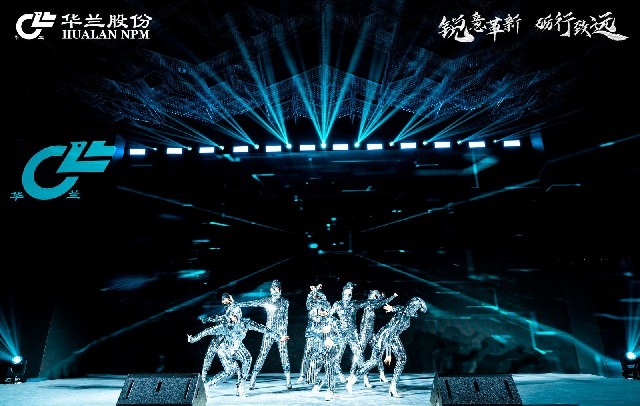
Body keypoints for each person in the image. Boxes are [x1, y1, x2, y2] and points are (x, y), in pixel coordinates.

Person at [187, 305, 289, 397]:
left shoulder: (246, 323)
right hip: (225, 350)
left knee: (247, 358)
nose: (232, 318)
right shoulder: (225, 326)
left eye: (234, 315)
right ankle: (207, 385)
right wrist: (192, 339)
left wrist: (278, 337)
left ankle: (241, 385)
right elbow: (206, 332)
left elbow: (263, 329)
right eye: (230, 316)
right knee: (229, 371)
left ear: (238, 314)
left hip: (237, 347)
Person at [346, 296, 428, 398]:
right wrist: (388, 354)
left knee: (402, 359)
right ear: (411, 306)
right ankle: (352, 379)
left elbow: (400, 308)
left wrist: (392, 308)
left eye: (417, 308)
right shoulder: (402, 316)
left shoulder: (405, 312)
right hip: (384, 336)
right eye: (415, 307)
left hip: (393, 337)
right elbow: (389, 334)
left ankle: (393, 387)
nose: (416, 310)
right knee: (374, 361)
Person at [236, 279, 292, 390]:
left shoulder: (284, 302)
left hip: (280, 332)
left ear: (280, 290)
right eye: (273, 289)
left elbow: (285, 318)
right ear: (271, 290)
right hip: (269, 332)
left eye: (277, 289)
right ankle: (253, 379)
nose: (275, 291)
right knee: (262, 354)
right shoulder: (267, 300)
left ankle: (288, 380)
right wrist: (238, 304)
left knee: (284, 356)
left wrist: (283, 333)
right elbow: (253, 303)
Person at [196, 292, 241, 380]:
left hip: (225, 340)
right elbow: (219, 318)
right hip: (217, 338)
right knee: (209, 356)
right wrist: (207, 319)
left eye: (224, 299)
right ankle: (203, 377)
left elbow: (229, 319)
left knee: (229, 358)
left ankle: (239, 375)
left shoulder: (234, 309)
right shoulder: (226, 310)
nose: (222, 301)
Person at [358, 289, 397, 386]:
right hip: (364, 334)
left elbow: (379, 302)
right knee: (360, 354)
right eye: (376, 296)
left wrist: (382, 297)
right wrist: (392, 297)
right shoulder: (368, 304)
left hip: (371, 333)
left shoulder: (372, 304)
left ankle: (381, 374)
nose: (377, 298)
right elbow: (380, 303)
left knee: (378, 352)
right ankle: (365, 378)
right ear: (372, 296)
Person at [329, 281, 366, 382]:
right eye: (345, 294)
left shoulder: (354, 304)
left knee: (359, 354)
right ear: (342, 294)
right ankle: (340, 374)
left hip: (352, 334)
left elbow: (366, 303)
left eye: (349, 295)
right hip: (341, 334)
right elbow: (329, 316)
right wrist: (336, 325)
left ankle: (362, 377)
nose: (347, 297)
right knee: (337, 356)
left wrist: (378, 299)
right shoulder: (337, 304)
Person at [297, 284, 329, 385]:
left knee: (318, 355)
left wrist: (318, 291)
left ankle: (313, 375)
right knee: (307, 353)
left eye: (318, 295)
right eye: (315, 295)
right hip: (311, 332)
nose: (316, 296)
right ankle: (303, 374)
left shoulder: (325, 304)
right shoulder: (311, 304)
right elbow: (308, 302)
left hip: (320, 333)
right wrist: (313, 291)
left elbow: (327, 309)